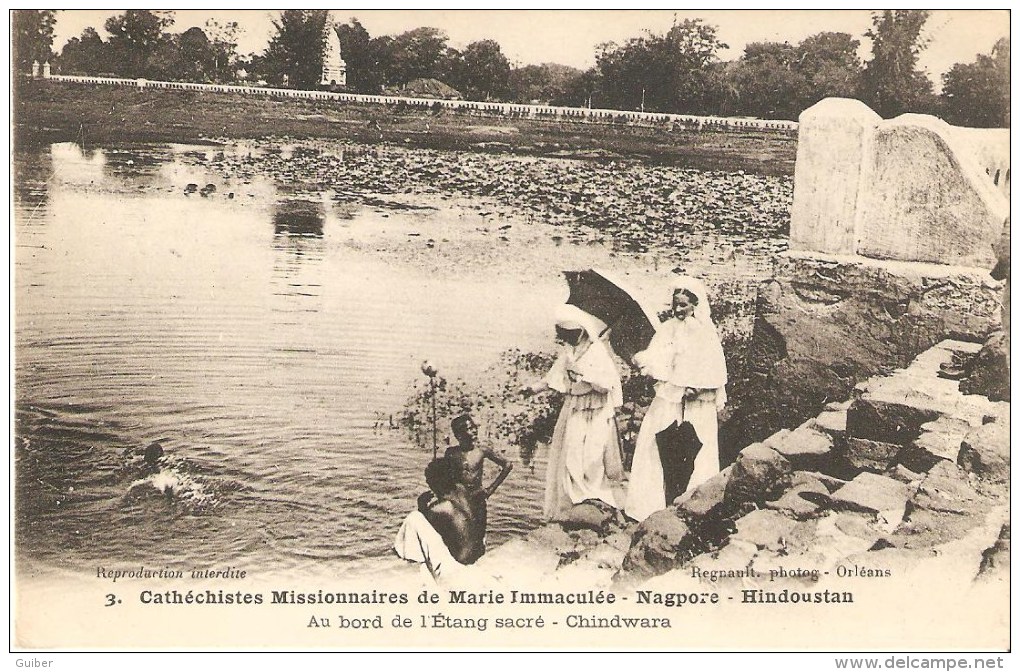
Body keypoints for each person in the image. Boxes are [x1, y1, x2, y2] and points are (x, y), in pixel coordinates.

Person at [625, 276, 728, 523]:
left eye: (683, 305)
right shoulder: (668, 328)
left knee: (697, 447)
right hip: (671, 398)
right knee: (654, 439)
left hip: (694, 403)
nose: (678, 310)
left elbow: (713, 371)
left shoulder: (705, 333)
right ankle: (649, 503)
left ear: (695, 305)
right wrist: (645, 363)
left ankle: (694, 503)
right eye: (675, 305)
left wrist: (696, 387)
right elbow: (657, 357)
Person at [524, 304, 624, 519]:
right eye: (564, 335)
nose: (567, 340)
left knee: (592, 455)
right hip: (575, 408)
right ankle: (570, 501)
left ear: (581, 331)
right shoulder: (570, 352)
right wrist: (531, 389)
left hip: (596, 409)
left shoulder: (598, 352)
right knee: (570, 453)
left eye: (570, 334)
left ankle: (592, 497)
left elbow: (607, 384)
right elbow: (554, 378)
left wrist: (584, 375)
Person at [409, 453, 506, 565]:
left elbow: (423, 524)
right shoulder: (462, 489)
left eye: (429, 481)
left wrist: (421, 505)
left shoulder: (442, 507)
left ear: (436, 482)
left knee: (414, 518)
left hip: (460, 563)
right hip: (477, 553)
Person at [444, 413, 513, 494]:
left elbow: (507, 464)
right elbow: (446, 477)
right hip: (458, 498)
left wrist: (491, 489)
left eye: (474, 427)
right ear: (459, 435)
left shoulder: (482, 450)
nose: (474, 431)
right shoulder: (451, 453)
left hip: (477, 498)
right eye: (469, 429)